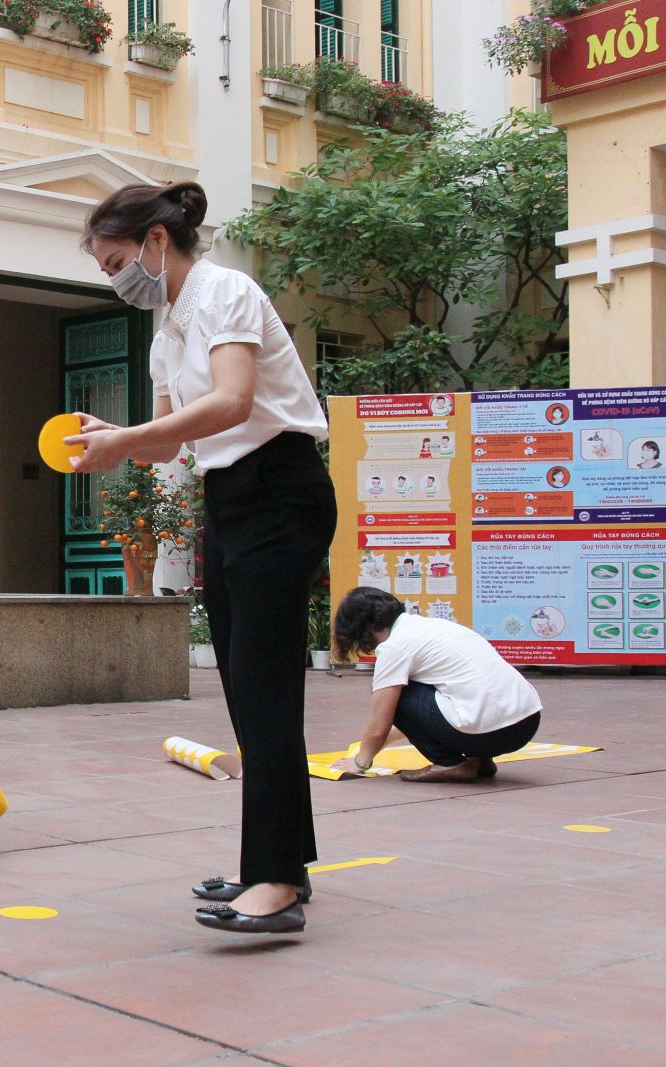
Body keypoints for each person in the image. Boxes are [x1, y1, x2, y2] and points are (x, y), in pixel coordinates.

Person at [69, 181, 336, 935]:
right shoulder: (168, 330)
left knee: (265, 684)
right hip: (231, 498)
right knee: (248, 688)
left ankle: (275, 879)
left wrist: (124, 441)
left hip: (280, 488)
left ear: (157, 239)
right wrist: (108, 435)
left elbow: (233, 401)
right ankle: (277, 863)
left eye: (118, 260)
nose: (117, 279)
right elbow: (165, 441)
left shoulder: (225, 292)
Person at [329, 587, 542, 783]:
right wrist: (384, 741)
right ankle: (481, 761)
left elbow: (381, 722)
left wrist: (360, 762)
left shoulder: (394, 647)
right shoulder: (432, 627)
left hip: (489, 732)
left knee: (398, 696)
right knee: (464, 693)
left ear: (362, 629)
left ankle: (452, 764)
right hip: (527, 722)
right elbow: (425, 715)